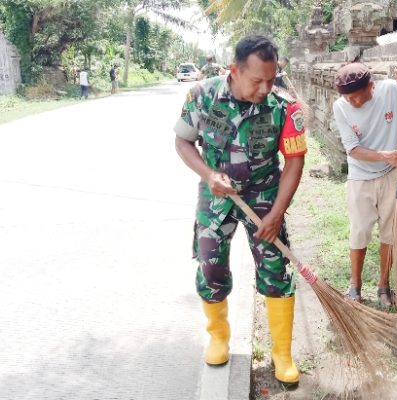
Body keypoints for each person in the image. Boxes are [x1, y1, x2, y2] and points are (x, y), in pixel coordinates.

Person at [174, 35, 307, 386]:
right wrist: (208, 174)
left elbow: (294, 161)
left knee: (276, 268)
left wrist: (277, 213)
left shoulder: (284, 106)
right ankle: (218, 336)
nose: (265, 87)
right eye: (257, 80)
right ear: (234, 70)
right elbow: (183, 141)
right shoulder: (202, 96)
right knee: (210, 264)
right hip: (217, 195)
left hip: (265, 195)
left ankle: (282, 352)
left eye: (272, 78)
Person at [332, 62, 397, 307]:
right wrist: (386, 155)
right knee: (359, 231)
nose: (352, 103)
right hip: (360, 176)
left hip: (392, 175)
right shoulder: (340, 106)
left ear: (371, 86)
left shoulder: (391, 90)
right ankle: (354, 286)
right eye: (348, 98)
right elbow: (353, 149)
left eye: (356, 97)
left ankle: (383, 285)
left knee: (390, 231)